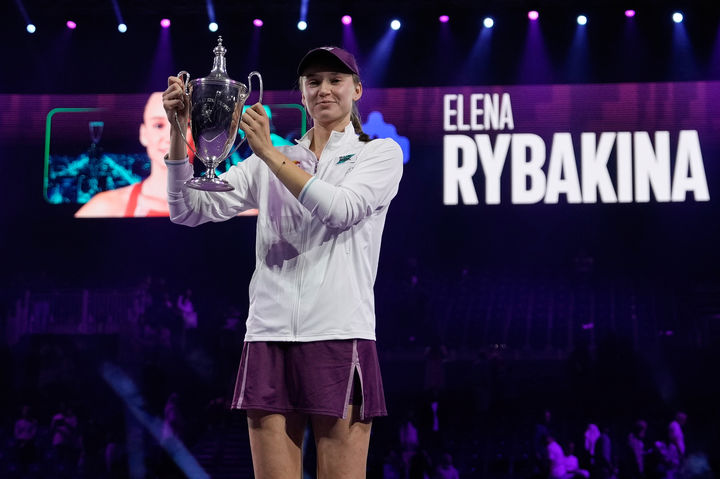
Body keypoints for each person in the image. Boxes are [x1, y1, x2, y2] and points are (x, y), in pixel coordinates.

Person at [162, 45, 403, 479]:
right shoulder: (268, 161)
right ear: (302, 94)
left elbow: (341, 210)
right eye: (313, 82)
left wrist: (271, 154)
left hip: (338, 334)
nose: (324, 89)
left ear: (357, 90)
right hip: (267, 336)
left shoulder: (378, 154)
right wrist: (180, 134)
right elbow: (187, 209)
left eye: (335, 80)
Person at [75, 92, 173, 217]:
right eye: (159, 125)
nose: (170, 137)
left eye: (184, 124)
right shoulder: (106, 208)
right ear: (143, 134)